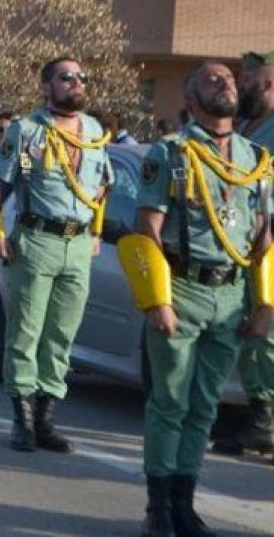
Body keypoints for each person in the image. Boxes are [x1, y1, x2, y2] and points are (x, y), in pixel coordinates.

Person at [121, 61, 271, 535]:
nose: (225, 84)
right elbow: (147, 230)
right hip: (182, 288)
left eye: (229, 79)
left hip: (230, 293)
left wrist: (264, 306)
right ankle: (159, 506)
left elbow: (264, 238)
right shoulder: (171, 152)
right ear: (189, 98)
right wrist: (156, 300)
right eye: (212, 79)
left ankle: (184, 502)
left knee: (205, 405)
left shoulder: (254, 157)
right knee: (170, 401)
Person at [0, 56, 114, 454]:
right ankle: (22, 420)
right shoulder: (26, 130)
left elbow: (103, 185)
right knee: (26, 330)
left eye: (81, 77)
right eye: (66, 77)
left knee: (61, 334)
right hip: (37, 239)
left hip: (77, 244)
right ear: (47, 85)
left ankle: (46, 418)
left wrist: (96, 231)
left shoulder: (94, 131)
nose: (76, 83)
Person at [213, 49, 274, 462]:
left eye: (248, 81)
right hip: (245, 244)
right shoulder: (246, 126)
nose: (240, 87)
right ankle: (260, 419)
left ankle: (265, 421)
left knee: (266, 335)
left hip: (269, 243)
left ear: (267, 83)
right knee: (254, 334)